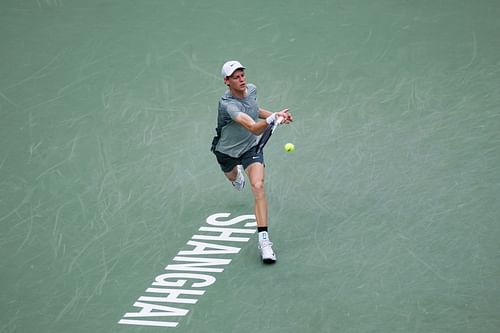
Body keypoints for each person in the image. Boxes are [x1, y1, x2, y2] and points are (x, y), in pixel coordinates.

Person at [211, 60, 293, 264]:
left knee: (258, 186)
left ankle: (264, 242)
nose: (241, 79)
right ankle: (234, 175)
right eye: (236, 77)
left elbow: (254, 111)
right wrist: (271, 120)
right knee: (233, 177)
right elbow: (254, 127)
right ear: (226, 81)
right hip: (226, 151)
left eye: (242, 75)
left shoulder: (252, 90)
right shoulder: (227, 105)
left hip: (250, 148)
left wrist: (276, 115)